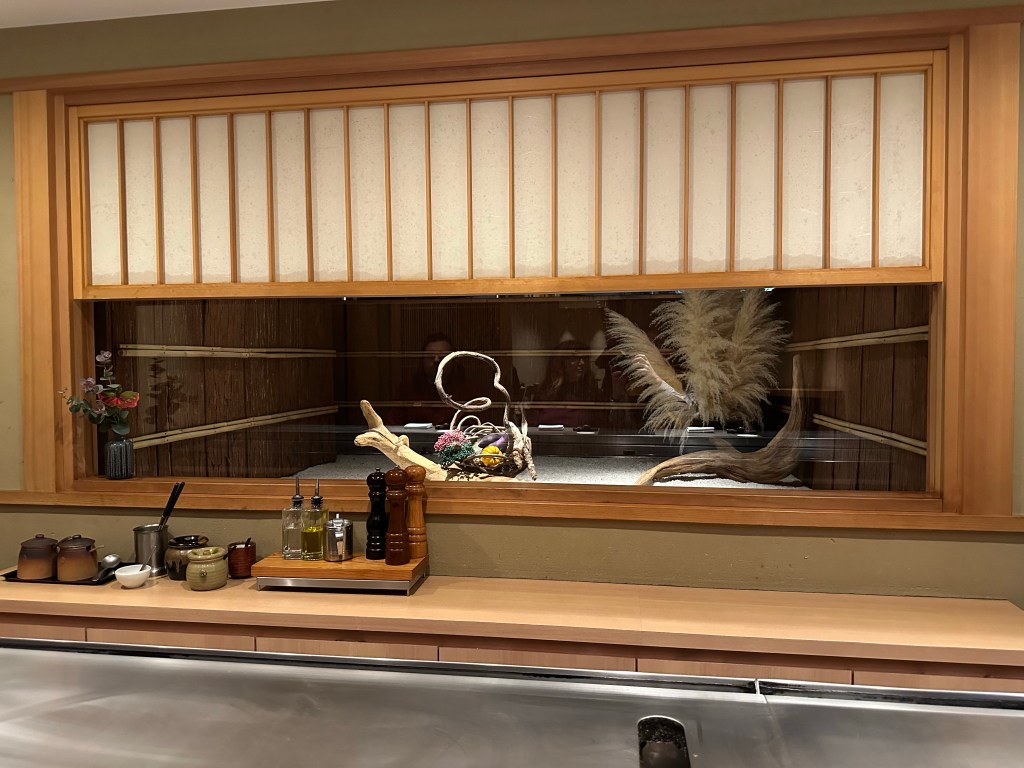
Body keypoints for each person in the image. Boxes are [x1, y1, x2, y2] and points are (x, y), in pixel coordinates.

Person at [386, 333, 460, 427]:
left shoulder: (468, 389)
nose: (436, 360)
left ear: (453, 361)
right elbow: (392, 425)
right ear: (422, 360)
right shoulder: (407, 390)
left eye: (442, 357)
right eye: (431, 357)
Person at [529, 340, 606, 428]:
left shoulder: (593, 394)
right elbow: (531, 425)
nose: (582, 363)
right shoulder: (545, 393)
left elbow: (604, 428)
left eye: (585, 358)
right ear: (561, 363)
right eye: (575, 359)